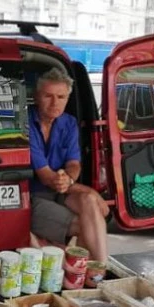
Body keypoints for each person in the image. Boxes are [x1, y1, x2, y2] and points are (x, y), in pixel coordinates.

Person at [28, 67, 110, 262]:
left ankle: (95, 268)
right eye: (48, 96)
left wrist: (70, 179)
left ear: (67, 98)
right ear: (36, 96)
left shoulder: (69, 123)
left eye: (61, 97)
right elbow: (46, 176)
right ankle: (93, 270)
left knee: (90, 204)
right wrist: (77, 187)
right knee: (90, 223)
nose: (55, 103)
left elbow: (74, 163)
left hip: (61, 191)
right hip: (33, 196)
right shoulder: (26, 123)